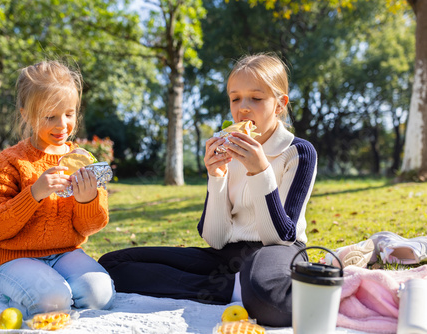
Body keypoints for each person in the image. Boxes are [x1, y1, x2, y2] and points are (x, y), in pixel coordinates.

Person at [99, 53, 317, 326]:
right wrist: (216, 177)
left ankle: (241, 287)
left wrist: (259, 171)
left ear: (280, 104)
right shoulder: (227, 148)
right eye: (235, 98)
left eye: (256, 98)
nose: (243, 108)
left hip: (279, 252)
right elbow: (215, 239)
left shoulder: (298, 152)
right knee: (113, 265)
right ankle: (233, 288)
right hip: (228, 256)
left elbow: (281, 236)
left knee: (269, 297)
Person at [0, 60, 115, 318]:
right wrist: (33, 194)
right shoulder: (10, 162)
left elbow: (90, 227)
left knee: (100, 295)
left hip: (65, 253)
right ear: (27, 115)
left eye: (69, 113)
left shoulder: (83, 160)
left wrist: (88, 200)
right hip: (14, 258)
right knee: (53, 302)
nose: (62, 124)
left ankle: (53, 288)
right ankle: (36, 293)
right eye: (50, 116)